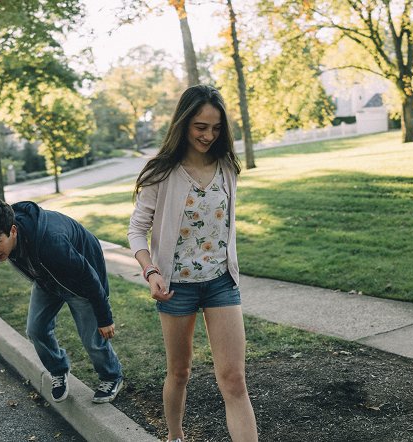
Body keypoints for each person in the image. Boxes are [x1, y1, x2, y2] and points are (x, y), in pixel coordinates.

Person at [128, 85, 258, 442]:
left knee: (234, 380)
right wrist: (151, 271)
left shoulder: (227, 167)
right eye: (201, 126)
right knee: (180, 372)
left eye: (216, 128)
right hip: (176, 289)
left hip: (220, 283)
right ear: (184, 123)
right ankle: (175, 436)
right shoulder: (161, 172)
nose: (208, 135)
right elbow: (137, 231)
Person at [0, 199, 123, 404]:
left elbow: (90, 277)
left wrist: (105, 318)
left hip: (79, 283)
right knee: (36, 329)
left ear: (13, 231)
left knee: (92, 338)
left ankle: (112, 376)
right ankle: (58, 370)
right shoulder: (8, 236)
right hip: (47, 280)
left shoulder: (52, 242)